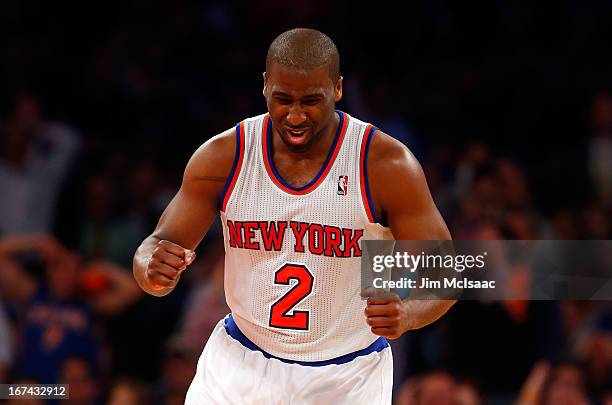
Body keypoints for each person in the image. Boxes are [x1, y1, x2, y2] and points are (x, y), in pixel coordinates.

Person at [133, 28, 455, 404]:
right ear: (265, 85)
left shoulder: (384, 163)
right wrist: (150, 269)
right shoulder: (224, 156)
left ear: (337, 88)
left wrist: (410, 313)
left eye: (311, 100)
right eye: (283, 99)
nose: (296, 116)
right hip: (239, 360)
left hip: (347, 374)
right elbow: (158, 244)